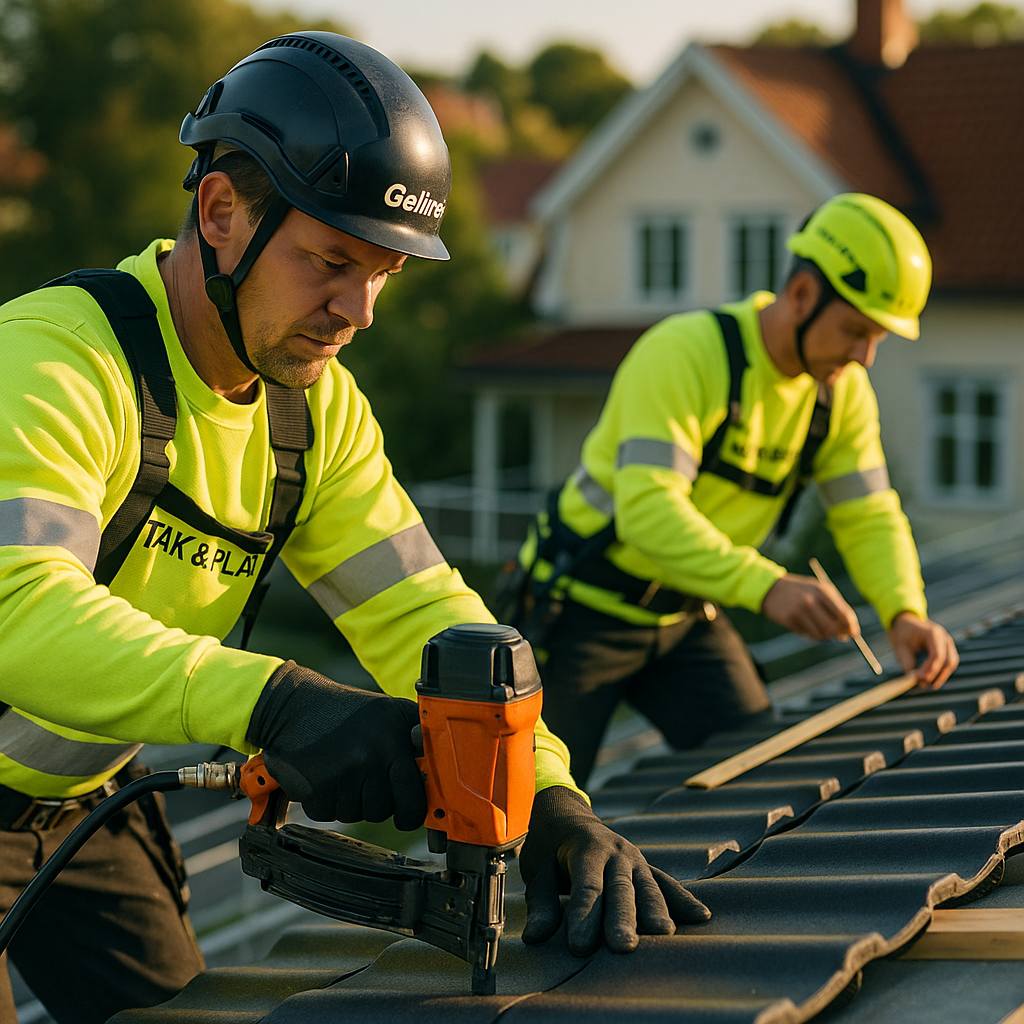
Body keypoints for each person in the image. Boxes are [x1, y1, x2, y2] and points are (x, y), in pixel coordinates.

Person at [0, 32, 709, 1024]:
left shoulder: (313, 412)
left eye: (384, 274)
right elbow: (19, 615)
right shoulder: (56, 363)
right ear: (220, 214)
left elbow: (425, 614)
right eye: (331, 261)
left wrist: (546, 796)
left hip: (80, 799)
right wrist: (279, 703)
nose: (359, 312)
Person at [510, 192, 960, 786]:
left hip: (685, 614)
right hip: (579, 613)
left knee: (756, 774)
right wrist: (767, 587)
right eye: (855, 330)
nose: (865, 357)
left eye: (877, 338)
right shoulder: (684, 354)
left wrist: (905, 611)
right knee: (532, 805)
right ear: (801, 294)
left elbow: (869, 514)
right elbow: (649, 513)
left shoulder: (840, 393)